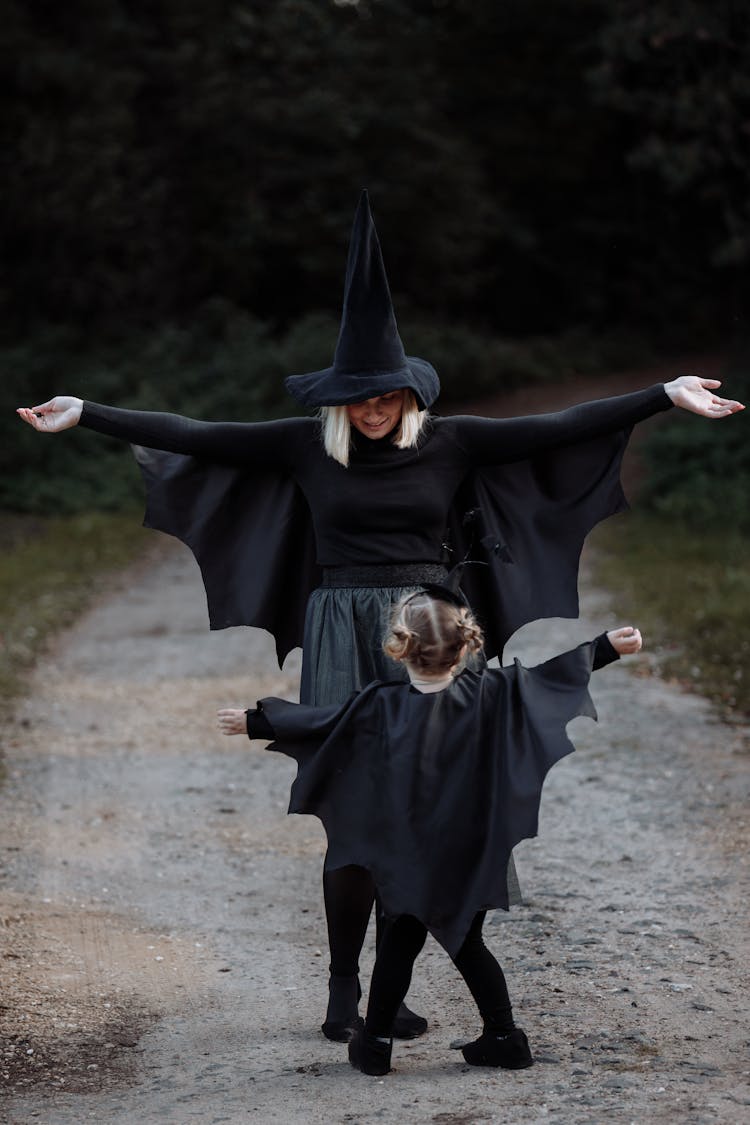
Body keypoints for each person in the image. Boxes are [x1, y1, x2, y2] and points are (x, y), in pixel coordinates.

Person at [15, 191, 744, 1042]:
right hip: (338, 627)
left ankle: (388, 994)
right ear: (338, 399)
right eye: (359, 398)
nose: (373, 409)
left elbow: (561, 425)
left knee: (427, 804)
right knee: (356, 808)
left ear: (409, 392)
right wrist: (88, 414)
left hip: (432, 631)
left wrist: (661, 393)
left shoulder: (453, 440)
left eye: (387, 395)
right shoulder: (301, 446)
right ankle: (342, 991)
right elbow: (197, 432)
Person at [217, 582, 644, 1075]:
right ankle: (503, 1036)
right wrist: (605, 646)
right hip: (469, 855)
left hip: (407, 859)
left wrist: (255, 722)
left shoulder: (379, 705)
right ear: (467, 646)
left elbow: (323, 723)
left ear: (396, 648)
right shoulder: (491, 692)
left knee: (398, 948)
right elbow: (551, 676)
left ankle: (375, 1044)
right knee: (468, 944)